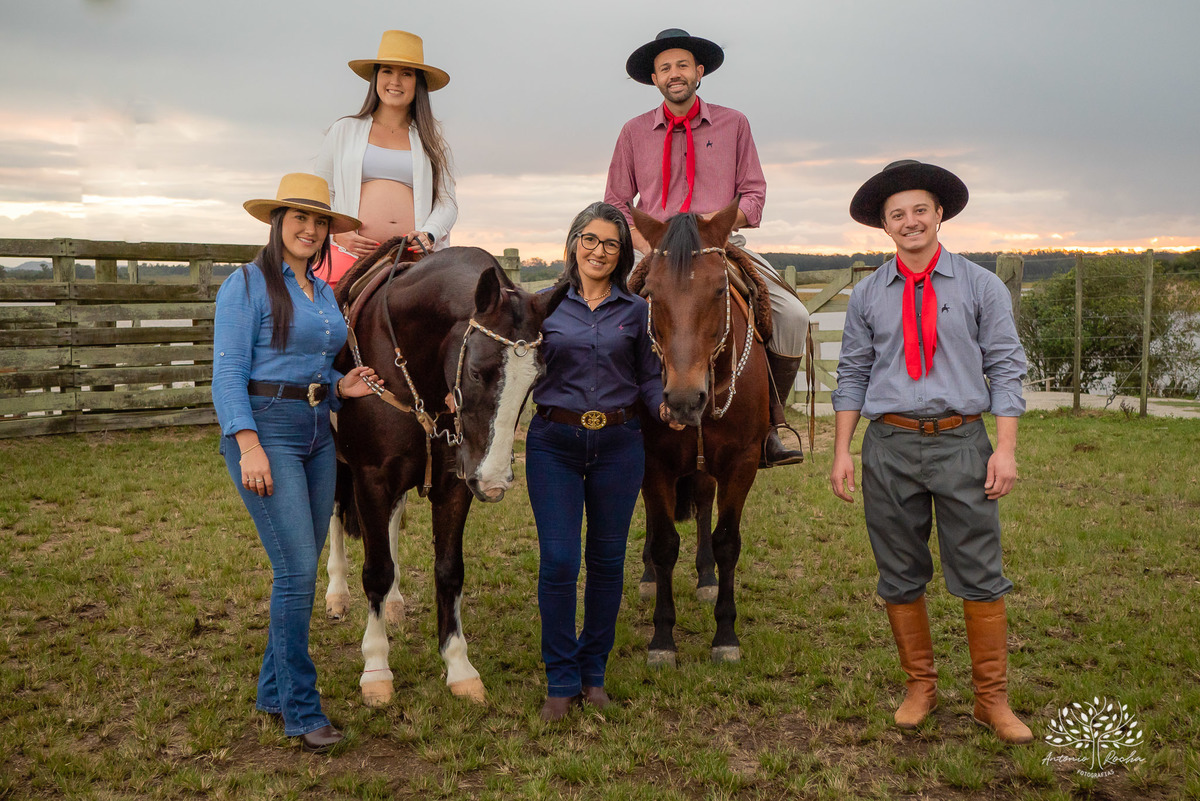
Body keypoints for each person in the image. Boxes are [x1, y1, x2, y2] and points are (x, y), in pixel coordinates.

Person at [830, 160, 1032, 744]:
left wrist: (1006, 449)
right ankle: (921, 685)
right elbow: (852, 374)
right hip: (888, 444)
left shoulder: (980, 286)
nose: (910, 221)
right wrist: (843, 451)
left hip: (962, 441)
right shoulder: (868, 295)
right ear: (884, 226)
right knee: (898, 567)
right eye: (898, 214)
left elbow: (1006, 368)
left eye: (920, 209)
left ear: (940, 214)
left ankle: (991, 699)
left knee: (979, 568)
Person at [212, 173, 382, 752]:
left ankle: (270, 691)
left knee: (302, 565)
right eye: (299, 219)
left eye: (320, 222)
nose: (310, 230)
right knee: (295, 571)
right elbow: (228, 376)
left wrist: (343, 383)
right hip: (267, 433)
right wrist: (248, 444)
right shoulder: (247, 285)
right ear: (277, 223)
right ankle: (302, 711)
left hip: (315, 432)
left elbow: (313, 365)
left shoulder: (323, 291)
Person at [604, 28, 810, 468]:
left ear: (699, 72)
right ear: (654, 80)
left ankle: (770, 425)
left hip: (719, 248)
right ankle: (610, 424)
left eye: (682, 65)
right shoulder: (633, 132)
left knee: (794, 316)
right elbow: (617, 202)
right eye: (664, 68)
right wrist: (646, 245)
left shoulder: (734, 123)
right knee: (603, 317)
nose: (673, 74)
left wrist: (713, 229)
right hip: (654, 250)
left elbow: (753, 195)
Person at [527, 202, 682, 722]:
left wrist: (662, 401)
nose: (599, 251)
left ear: (622, 254)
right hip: (554, 443)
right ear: (573, 243)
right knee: (560, 562)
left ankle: (593, 674)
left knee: (608, 563)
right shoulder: (543, 307)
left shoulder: (636, 311)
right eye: (590, 240)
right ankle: (560, 677)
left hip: (619, 445)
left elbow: (647, 375)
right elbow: (507, 363)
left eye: (611, 244)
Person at [315, 29, 457, 285]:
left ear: (418, 82)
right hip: (351, 252)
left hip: (413, 258)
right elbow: (322, 193)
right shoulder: (344, 130)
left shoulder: (432, 141)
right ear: (376, 77)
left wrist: (429, 234)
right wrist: (338, 233)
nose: (395, 81)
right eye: (387, 71)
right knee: (319, 304)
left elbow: (447, 202)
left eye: (406, 73)